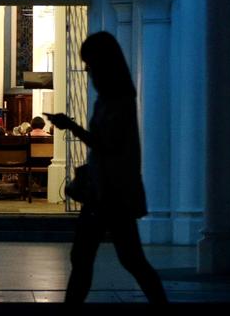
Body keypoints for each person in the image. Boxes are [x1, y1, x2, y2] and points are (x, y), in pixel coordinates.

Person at [46, 32, 168, 305]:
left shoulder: (119, 102)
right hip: (105, 192)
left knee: (126, 259)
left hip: (113, 194)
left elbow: (108, 144)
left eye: (89, 63)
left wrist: (72, 126)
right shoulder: (109, 100)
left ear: (103, 64)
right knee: (89, 257)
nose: (87, 70)